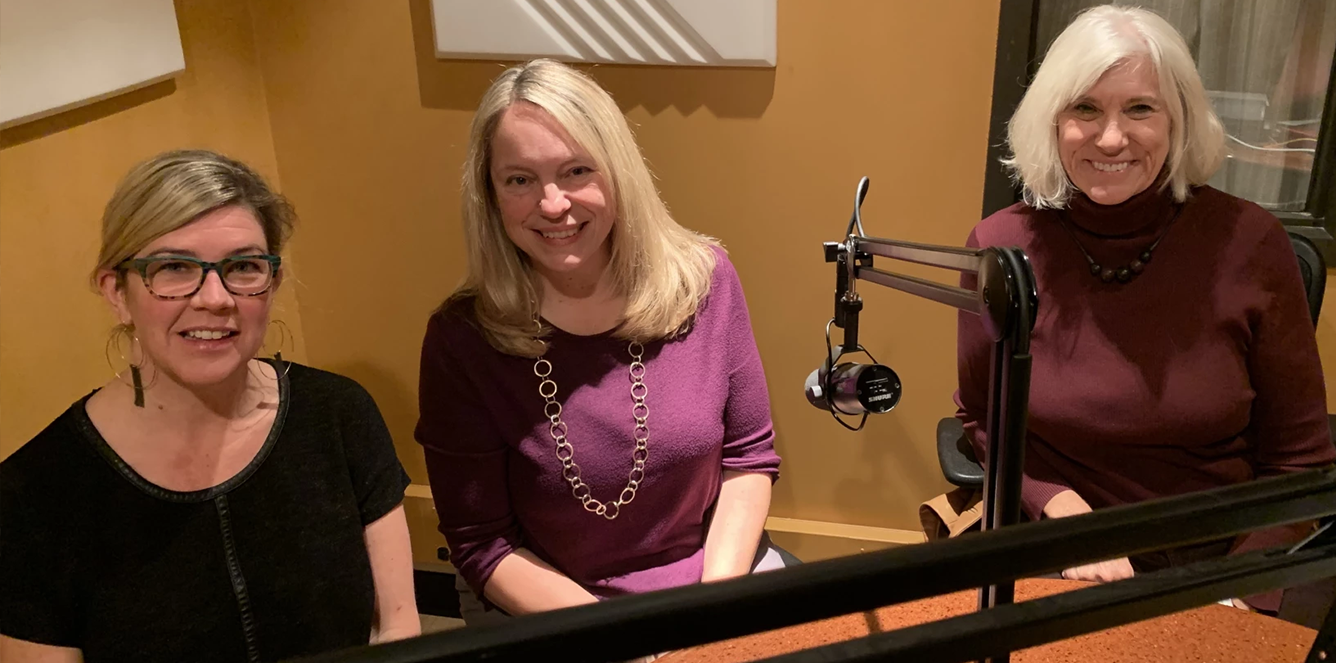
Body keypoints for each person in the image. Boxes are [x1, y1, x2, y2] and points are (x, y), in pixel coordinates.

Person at [954, 6, 1334, 606]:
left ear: (1178, 120)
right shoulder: (1001, 247)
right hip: (1055, 548)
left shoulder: (1251, 243)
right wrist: (1064, 513)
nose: (1110, 137)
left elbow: (1300, 460)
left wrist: (1238, 592)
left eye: (1139, 108)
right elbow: (980, 419)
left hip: (1218, 563)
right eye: (1085, 108)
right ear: (1052, 122)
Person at [0, 150, 420, 662]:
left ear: (273, 281)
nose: (216, 298)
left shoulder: (338, 415)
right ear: (117, 291)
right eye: (174, 267)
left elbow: (398, 629)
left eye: (243, 267)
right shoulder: (32, 495)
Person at [416, 59, 784, 622]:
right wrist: (622, 643)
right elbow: (483, 544)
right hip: (562, 614)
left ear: (618, 173)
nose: (553, 204)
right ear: (490, 196)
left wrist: (712, 610)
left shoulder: (706, 282)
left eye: (576, 171)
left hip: (713, 581)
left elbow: (747, 459)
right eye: (519, 179)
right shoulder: (461, 339)